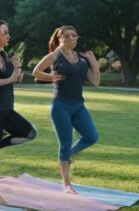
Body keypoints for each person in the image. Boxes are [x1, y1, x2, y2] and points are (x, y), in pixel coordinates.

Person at [32, 25, 100, 193]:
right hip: (60, 105)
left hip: (78, 105)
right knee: (65, 143)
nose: (72, 39)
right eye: (67, 36)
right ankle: (67, 184)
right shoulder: (55, 56)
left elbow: (95, 81)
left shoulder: (81, 59)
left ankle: (69, 155)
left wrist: (93, 62)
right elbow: (36, 72)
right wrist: (51, 77)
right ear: (60, 38)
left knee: (91, 137)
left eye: (74, 36)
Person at [0, 20, 37, 204]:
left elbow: (12, 80)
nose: (8, 36)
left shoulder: (5, 55)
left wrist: (16, 68)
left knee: (30, 132)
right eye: (5, 32)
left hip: (7, 108)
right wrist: (11, 77)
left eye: (8, 32)